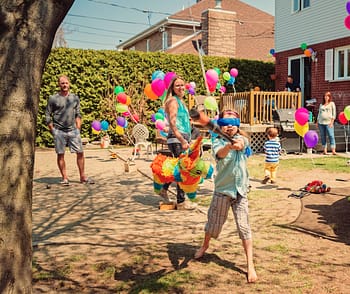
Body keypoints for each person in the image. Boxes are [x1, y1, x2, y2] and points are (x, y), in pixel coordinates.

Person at [194, 109, 258, 283]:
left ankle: (250, 265)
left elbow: (242, 144)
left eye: (233, 123)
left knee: (244, 227)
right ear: (220, 125)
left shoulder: (242, 138)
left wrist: (237, 144)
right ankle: (205, 245)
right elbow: (220, 155)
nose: (229, 126)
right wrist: (229, 146)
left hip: (240, 191)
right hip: (223, 191)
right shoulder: (217, 140)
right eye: (225, 123)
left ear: (238, 125)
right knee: (214, 223)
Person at [45, 75, 94, 186]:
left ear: (69, 84)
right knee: (60, 154)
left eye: (66, 83)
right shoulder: (53, 98)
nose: (64, 85)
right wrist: (53, 130)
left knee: (80, 153)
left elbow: (78, 113)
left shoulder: (74, 98)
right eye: (62, 83)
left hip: (73, 130)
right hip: (59, 131)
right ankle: (65, 178)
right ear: (59, 84)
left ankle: (82, 177)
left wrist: (78, 128)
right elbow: (48, 115)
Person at [159, 76, 197, 210]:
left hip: (183, 137)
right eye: (177, 85)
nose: (181, 87)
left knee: (178, 168)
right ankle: (181, 202)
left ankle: (164, 189)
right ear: (173, 88)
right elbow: (173, 124)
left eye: (182, 85)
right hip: (177, 139)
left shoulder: (181, 101)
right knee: (183, 170)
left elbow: (184, 122)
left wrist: (189, 137)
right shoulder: (173, 101)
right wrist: (182, 140)